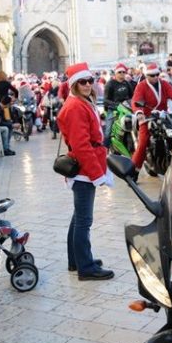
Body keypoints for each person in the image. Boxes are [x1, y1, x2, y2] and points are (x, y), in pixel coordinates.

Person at [57, 63, 113, 280]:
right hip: (84, 169)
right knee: (84, 220)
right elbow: (81, 146)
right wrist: (97, 174)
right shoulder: (75, 107)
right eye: (82, 81)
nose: (88, 84)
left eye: (90, 80)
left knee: (78, 217)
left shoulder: (80, 103)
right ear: (73, 84)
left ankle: (76, 260)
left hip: (85, 168)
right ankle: (86, 267)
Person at [131, 63, 172, 174]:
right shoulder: (141, 86)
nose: (156, 77)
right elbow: (136, 100)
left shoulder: (164, 84)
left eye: (157, 74)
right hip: (147, 118)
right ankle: (134, 171)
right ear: (146, 75)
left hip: (163, 116)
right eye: (152, 75)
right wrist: (139, 112)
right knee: (143, 143)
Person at [103, 64, 134, 145]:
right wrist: (116, 105)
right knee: (108, 131)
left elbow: (132, 97)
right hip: (114, 109)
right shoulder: (110, 84)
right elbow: (105, 100)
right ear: (115, 74)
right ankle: (105, 149)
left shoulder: (127, 83)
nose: (122, 73)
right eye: (119, 72)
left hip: (127, 109)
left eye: (124, 72)